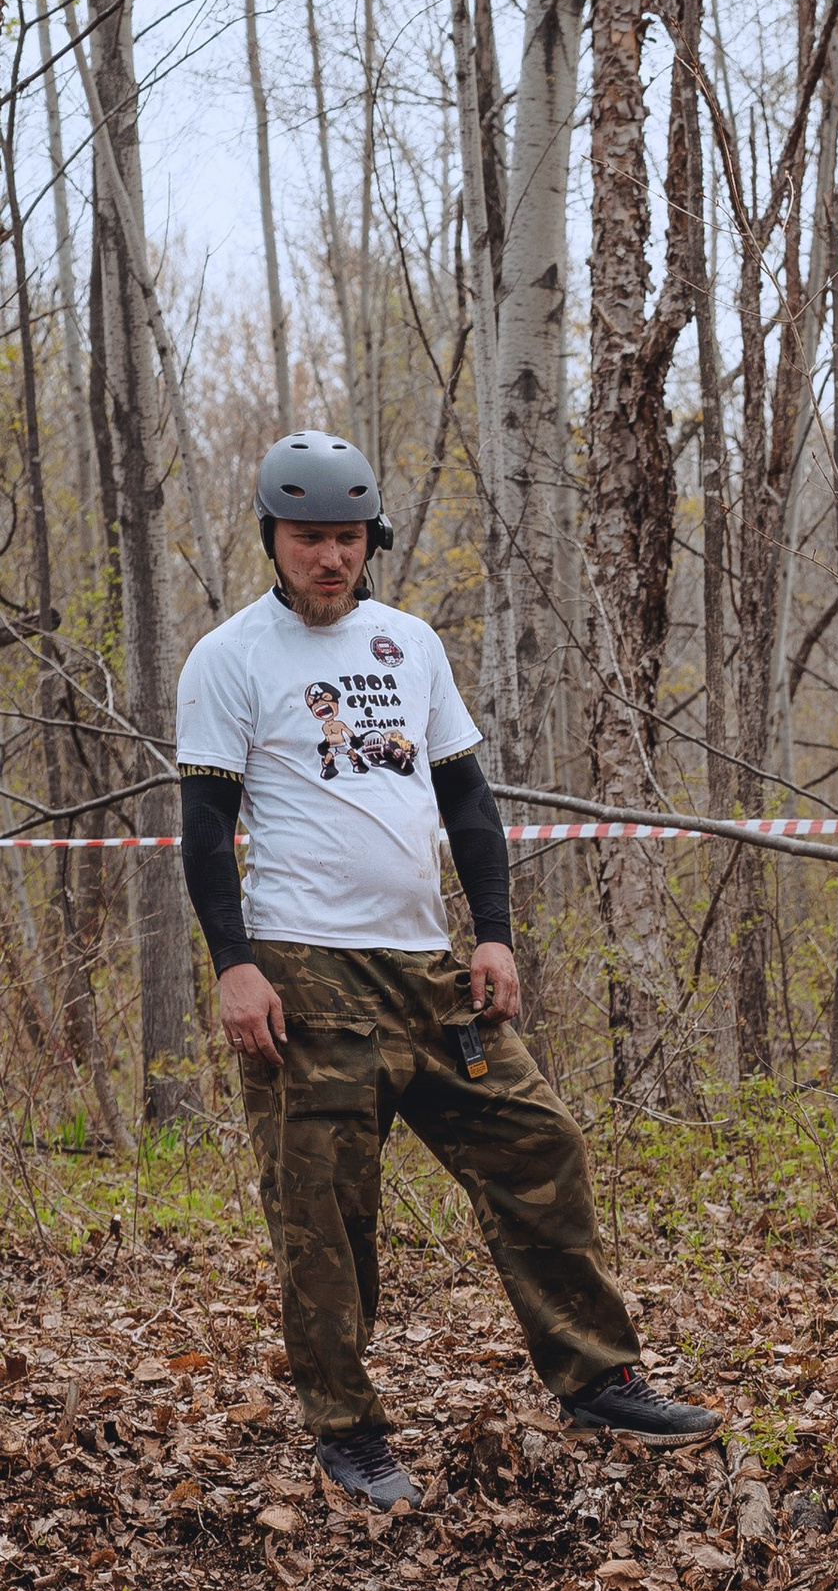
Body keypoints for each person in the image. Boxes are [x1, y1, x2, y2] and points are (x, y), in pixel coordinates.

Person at [176, 431, 721, 1512]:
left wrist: (494, 933)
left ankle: (597, 1376)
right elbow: (204, 823)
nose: (327, 559)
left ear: (370, 540)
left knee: (536, 1141)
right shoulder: (229, 657)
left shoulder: (408, 645)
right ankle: (347, 1430)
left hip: (430, 964)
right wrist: (235, 967)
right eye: (306, 540)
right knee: (327, 1211)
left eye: (344, 539)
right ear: (271, 541)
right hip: (305, 969)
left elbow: (466, 801)